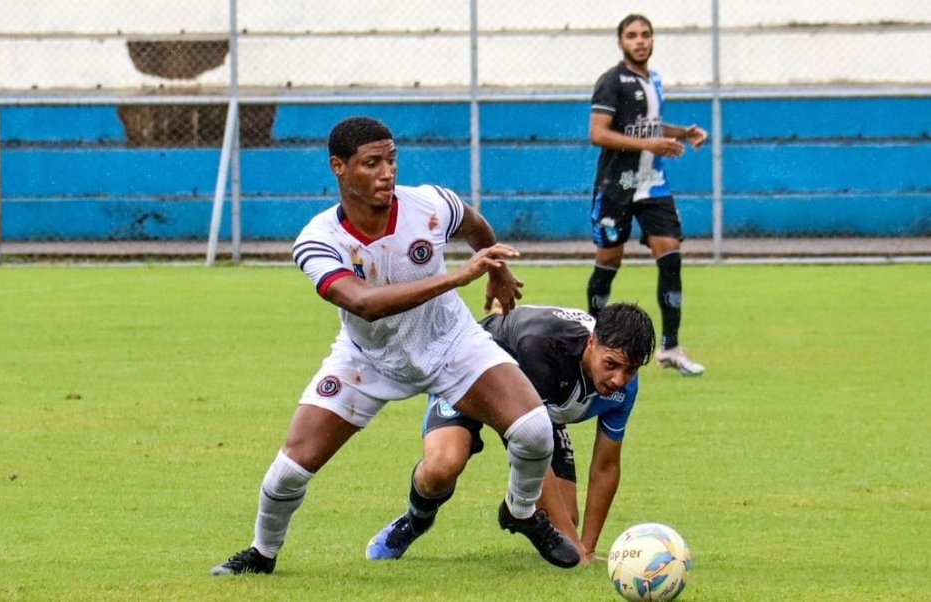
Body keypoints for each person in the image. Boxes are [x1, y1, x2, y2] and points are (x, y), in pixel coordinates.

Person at [210, 116, 581, 575]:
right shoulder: (318, 239)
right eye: (372, 163)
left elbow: (473, 223)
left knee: (534, 430)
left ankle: (521, 513)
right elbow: (363, 304)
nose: (387, 172)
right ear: (338, 168)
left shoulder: (428, 204)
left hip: (451, 343)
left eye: (391, 160)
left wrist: (497, 269)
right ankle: (262, 555)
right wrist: (458, 276)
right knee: (288, 471)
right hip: (368, 360)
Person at [366, 302, 656, 565]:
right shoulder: (544, 348)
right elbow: (529, 446)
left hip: (536, 403)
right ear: (592, 342)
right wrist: (576, 552)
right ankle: (415, 521)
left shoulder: (625, 386)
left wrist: (587, 548)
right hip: (470, 372)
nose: (619, 379)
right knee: (442, 467)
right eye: (611, 365)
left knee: (564, 521)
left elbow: (605, 467)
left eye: (629, 370)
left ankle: (515, 510)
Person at [586, 13, 707, 376]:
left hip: (653, 183)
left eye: (645, 35)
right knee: (610, 259)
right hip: (618, 185)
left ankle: (670, 346)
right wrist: (649, 142)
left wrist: (682, 132)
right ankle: (591, 336)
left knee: (670, 251)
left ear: (653, 40)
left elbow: (649, 125)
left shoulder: (654, 79)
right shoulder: (611, 81)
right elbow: (599, 133)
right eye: (632, 35)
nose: (640, 41)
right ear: (621, 41)